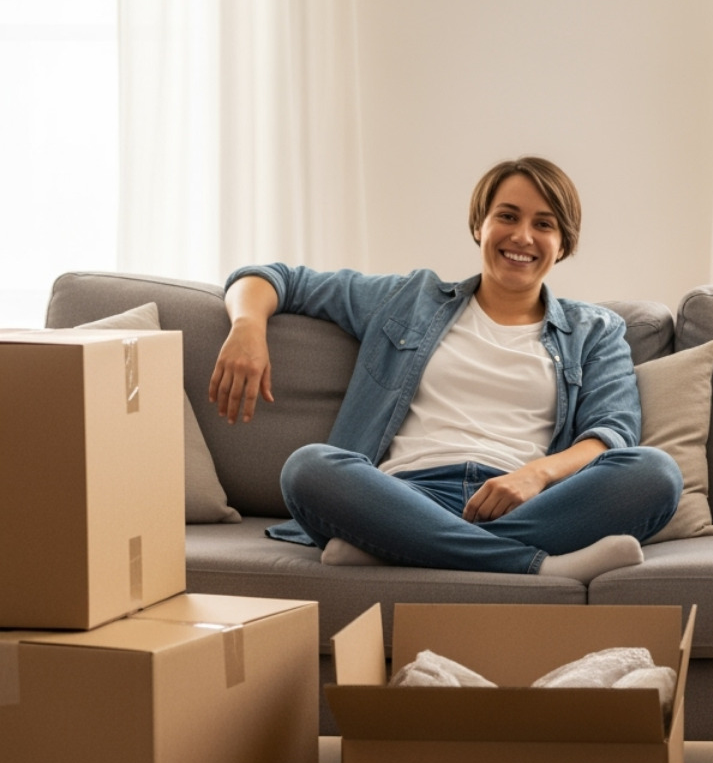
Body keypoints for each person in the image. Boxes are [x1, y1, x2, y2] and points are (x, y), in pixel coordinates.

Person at [207, 156, 682, 582]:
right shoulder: (410, 300)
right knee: (309, 468)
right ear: (479, 225)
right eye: (507, 216)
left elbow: (612, 435)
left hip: (527, 502)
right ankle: (533, 564)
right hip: (404, 498)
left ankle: (400, 547)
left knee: (656, 473)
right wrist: (247, 326)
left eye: (544, 224)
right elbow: (278, 279)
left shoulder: (596, 330)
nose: (522, 236)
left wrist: (534, 476)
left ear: (563, 244)